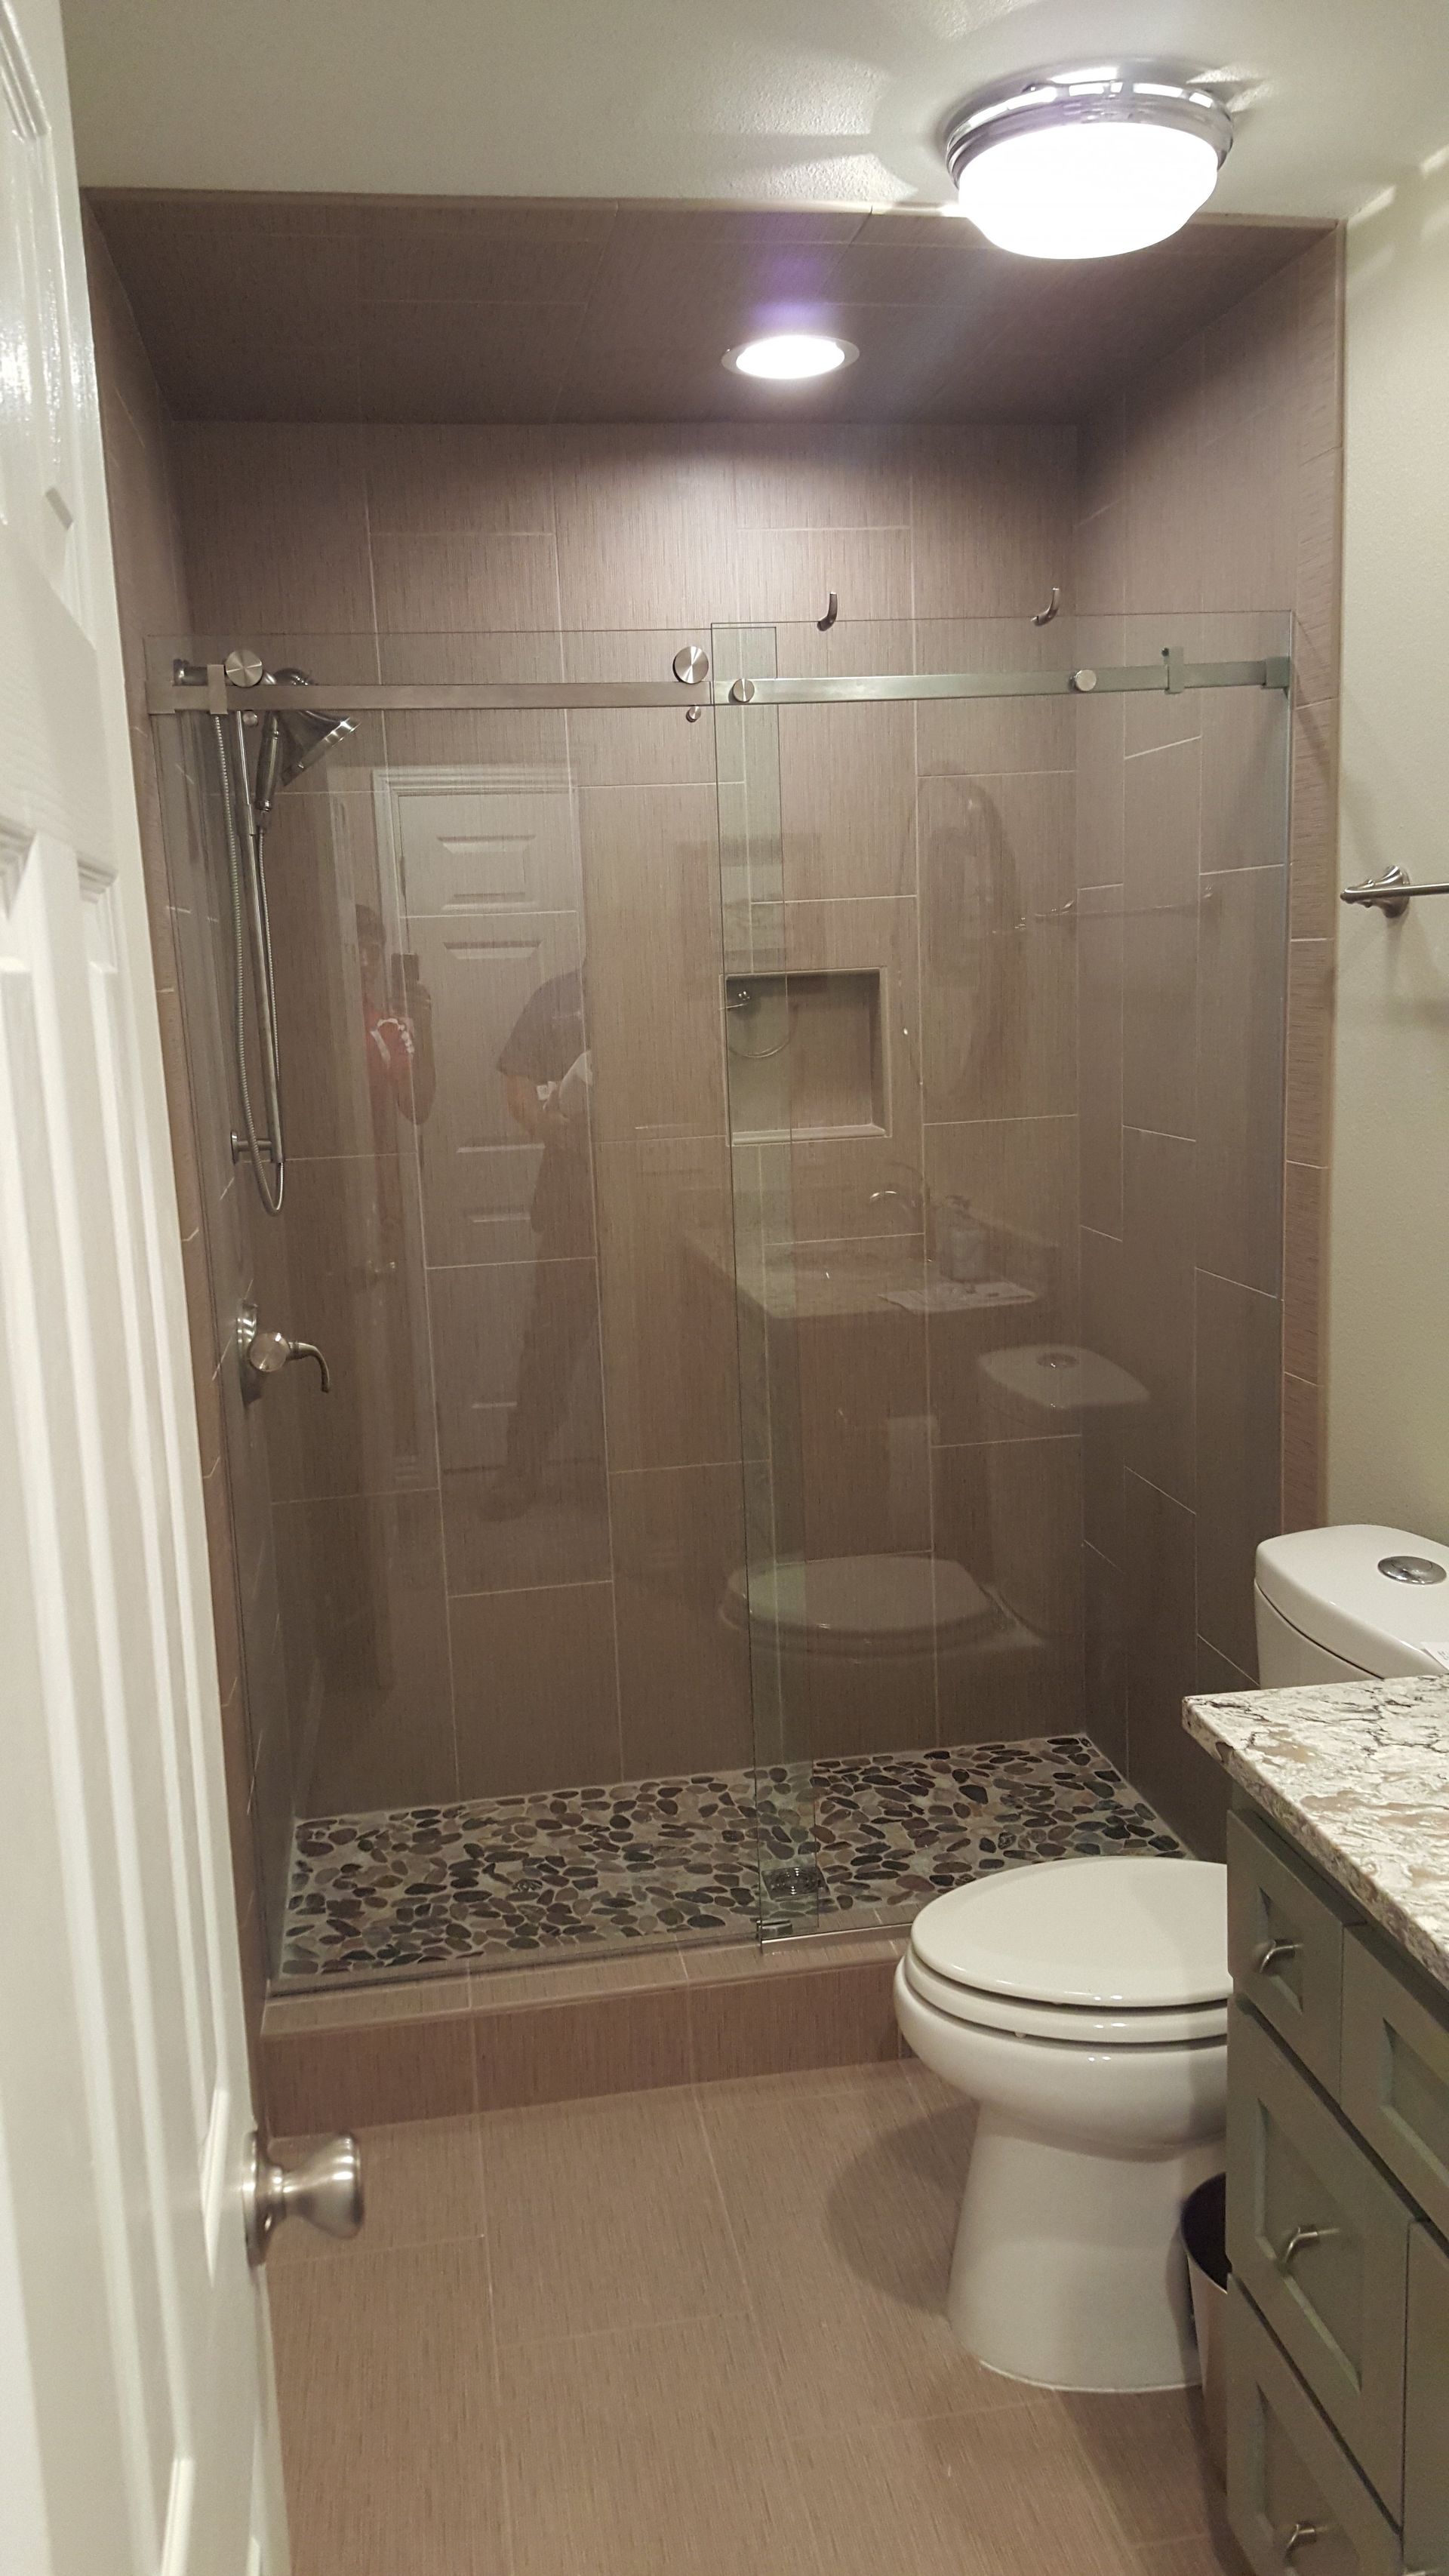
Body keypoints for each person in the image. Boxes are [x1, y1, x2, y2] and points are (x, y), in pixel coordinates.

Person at [485, 964, 594, 1517]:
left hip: (647, 1191)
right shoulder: (556, 997)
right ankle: (520, 1474)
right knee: (550, 1344)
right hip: (571, 1197)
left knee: (660, 1334)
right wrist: (545, 1125)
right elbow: (517, 1078)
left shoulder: (657, 984)